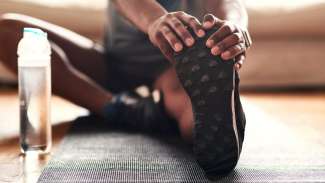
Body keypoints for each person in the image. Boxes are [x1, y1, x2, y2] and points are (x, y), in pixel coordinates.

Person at [0, 0, 251, 177]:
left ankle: (220, 114)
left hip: (176, 65)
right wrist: (156, 22)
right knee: (7, 30)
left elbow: (228, 3)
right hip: (112, 63)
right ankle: (121, 107)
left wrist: (232, 27)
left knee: (192, 110)